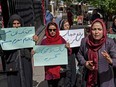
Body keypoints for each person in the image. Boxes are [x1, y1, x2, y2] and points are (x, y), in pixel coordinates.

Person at [77, 18, 116, 87]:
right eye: (94, 29)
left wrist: (110, 61)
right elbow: (79, 54)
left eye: (99, 29)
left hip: (105, 79)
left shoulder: (109, 42)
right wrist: (85, 63)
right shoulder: (85, 41)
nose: (96, 32)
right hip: (88, 79)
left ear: (103, 30)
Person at [39, 22, 72, 87]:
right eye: (50, 30)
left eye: (54, 30)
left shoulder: (61, 40)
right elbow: (40, 55)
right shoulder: (44, 42)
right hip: (49, 71)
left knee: (60, 85)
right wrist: (35, 52)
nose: (52, 32)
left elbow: (68, 53)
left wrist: (68, 48)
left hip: (60, 70)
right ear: (47, 30)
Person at [4, 14, 33, 87]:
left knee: (27, 82)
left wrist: (34, 41)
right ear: (11, 24)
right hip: (12, 63)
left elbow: (31, 48)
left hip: (25, 62)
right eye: (14, 24)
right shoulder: (5, 37)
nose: (16, 25)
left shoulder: (26, 35)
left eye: (18, 23)